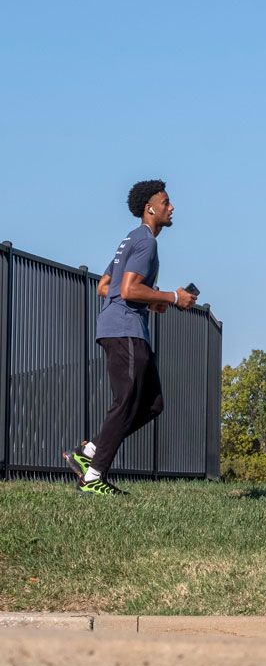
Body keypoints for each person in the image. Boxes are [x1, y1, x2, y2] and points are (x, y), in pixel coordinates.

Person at [62, 180, 196, 495]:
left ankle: (91, 451)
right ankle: (93, 477)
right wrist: (173, 297)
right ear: (150, 208)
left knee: (152, 404)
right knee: (125, 403)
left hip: (120, 327)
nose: (171, 207)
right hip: (125, 330)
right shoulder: (146, 242)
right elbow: (127, 289)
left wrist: (153, 301)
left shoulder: (130, 240)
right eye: (166, 202)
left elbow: (104, 286)